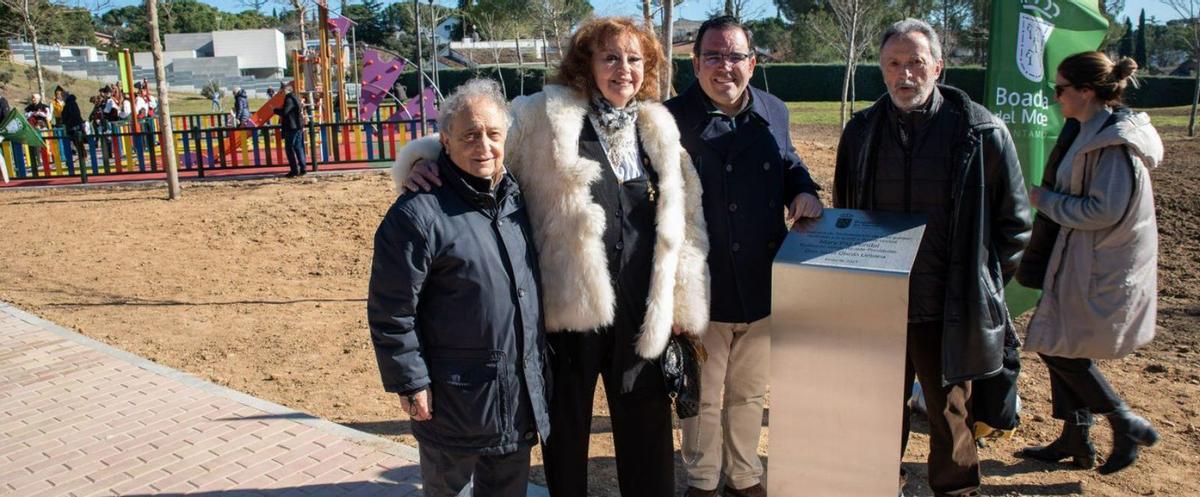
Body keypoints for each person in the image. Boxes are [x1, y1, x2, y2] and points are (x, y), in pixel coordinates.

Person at [397, 16, 710, 497]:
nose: (622, 69)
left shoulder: (658, 129)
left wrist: (681, 307)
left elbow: (686, 224)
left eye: (633, 59)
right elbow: (481, 136)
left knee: (647, 436)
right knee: (565, 440)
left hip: (641, 313)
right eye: (610, 57)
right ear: (587, 63)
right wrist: (421, 164)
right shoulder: (546, 115)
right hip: (567, 311)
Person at [832, 19, 1031, 497]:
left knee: (950, 415)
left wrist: (980, 282)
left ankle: (956, 490)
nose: (905, 75)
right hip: (879, 302)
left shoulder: (981, 131)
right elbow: (846, 210)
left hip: (946, 307)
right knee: (877, 408)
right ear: (881, 70)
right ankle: (879, 485)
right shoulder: (860, 131)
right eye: (893, 64)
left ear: (937, 67)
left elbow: (1016, 224)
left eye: (916, 63)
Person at [663, 15, 822, 497]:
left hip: (762, 281)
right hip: (701, 286)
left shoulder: (774, 110)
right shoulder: (668, 119)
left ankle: (745, 473)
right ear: (695, 63)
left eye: (735, 56)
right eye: (713, 55)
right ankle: (703, 479)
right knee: (704, 395)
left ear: (752, 63)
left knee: (749, 392)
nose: (724, 66)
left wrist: (805, 190)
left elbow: (790, 163)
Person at [368, 79, 550, 497]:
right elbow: (392, 309)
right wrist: (410, 381)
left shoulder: (515, 199)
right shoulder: (417, 214)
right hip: (453, 400)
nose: (483, 145)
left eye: (492, 134)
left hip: (515, 392)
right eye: (469, 135)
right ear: (445, 142)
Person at [1016, 52, 1162, 476]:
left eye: (1060, 88)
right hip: (1077, 258)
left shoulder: (1114, 144)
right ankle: (1076, 437)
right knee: (1057, 341)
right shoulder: (1086, 130)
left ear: (1086, 91)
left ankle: (1122, 420)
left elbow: (1105, 210)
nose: (1055, 96)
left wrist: (1047, 201)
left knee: (1058, 345)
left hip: (1097, 265)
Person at [274, 81, 307, 177]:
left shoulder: (289, 99)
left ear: (285, 90)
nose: (281, 92)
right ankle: (303, 168)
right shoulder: (295, 97)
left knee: (289, 149)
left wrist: (275, 110)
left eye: (282, 90)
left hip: (291, 127)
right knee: (298, 147)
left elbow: (285, 112)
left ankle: (294, 170)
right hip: (297, 126)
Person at [60, 92, 87, 162]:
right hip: (76, 124)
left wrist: (65, 121)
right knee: (78, 142)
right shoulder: (72, 103)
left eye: (63, 96)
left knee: (78, 142)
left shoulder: (69, 104)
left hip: (73, 125)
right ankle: (83, 156)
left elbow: (70, 115)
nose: (62, 98)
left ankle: (83, 157)